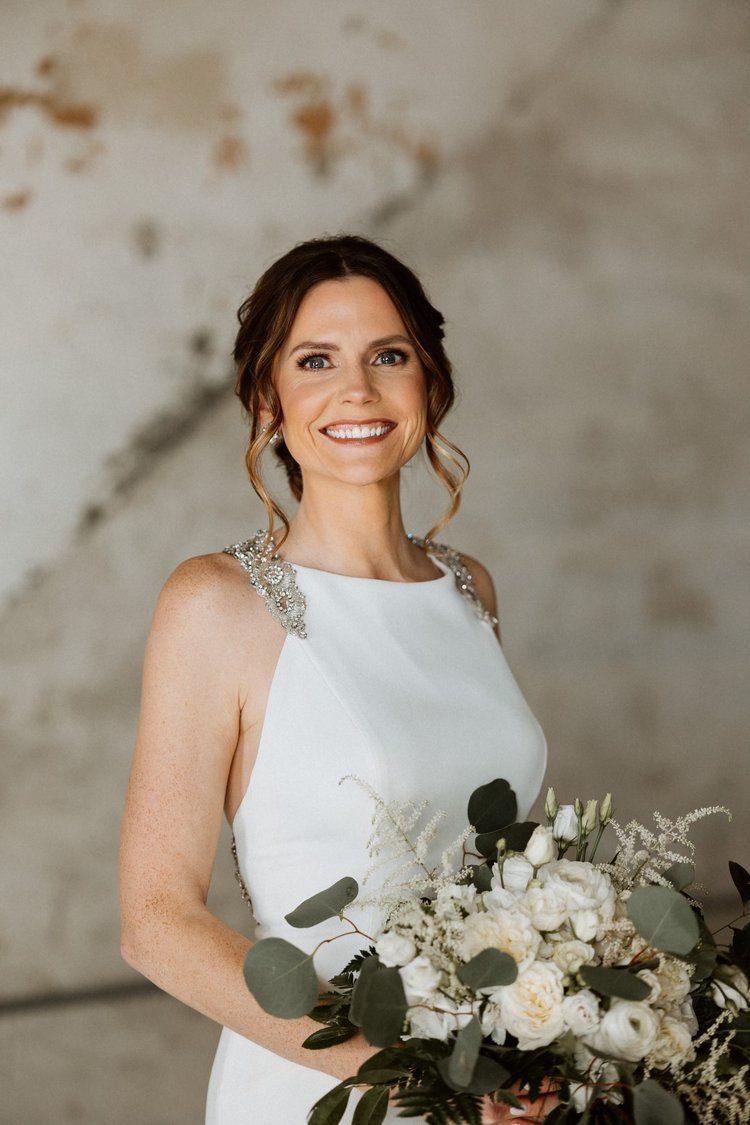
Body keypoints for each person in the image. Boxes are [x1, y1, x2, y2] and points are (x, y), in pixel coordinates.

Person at [119, 234, 552, 1123]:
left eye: (388, 356)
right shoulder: (216, 603)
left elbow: (510, 868)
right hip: (324, 1084)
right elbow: (156, 921)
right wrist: (407, 1080)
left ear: (428, 381)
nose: (357, 390)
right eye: (316, 360)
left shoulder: (469, 587)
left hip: (498, 1089)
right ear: (267, 398)